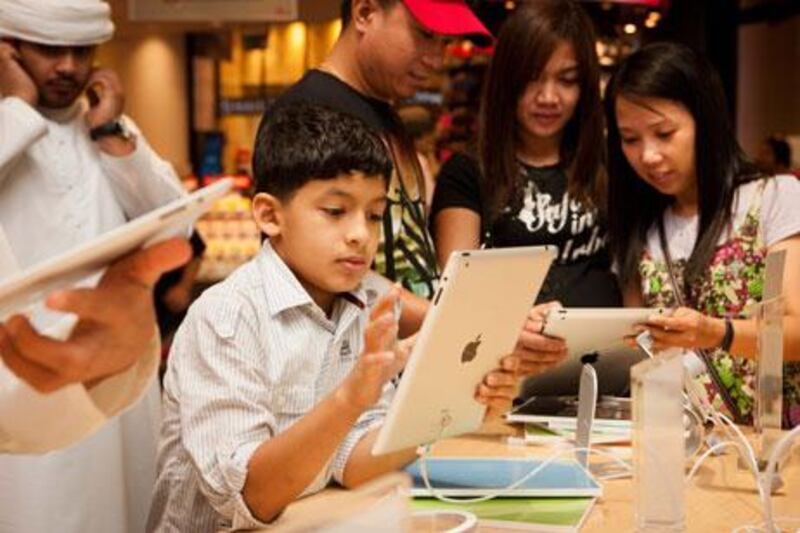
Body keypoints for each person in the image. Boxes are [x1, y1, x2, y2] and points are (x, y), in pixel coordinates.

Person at [147, 104, 521, 532]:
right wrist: (351, 397)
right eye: (335, 211)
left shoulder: (360, 304)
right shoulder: (226, 318)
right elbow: (252, 496)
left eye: (375, 214)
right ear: (269, 215)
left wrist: (450, 407)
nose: (361, 234)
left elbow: (352, 462)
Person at [0, 0, 188, 531]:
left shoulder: (106, 128)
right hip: (21, 380)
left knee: (127, 505)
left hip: (117, 373)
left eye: (82, 51)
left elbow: (175, 227)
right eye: (49, 49)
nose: (68, 67)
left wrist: (111, 136)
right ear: (8, 51)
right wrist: (17, 106)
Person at [268, 0, 492, 337]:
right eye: (425, 35)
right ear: (365, 12)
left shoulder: (384, 112)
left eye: (445, 43)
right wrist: (451, 321)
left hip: (404, 362)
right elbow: (319, 271)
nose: (436, 58)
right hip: (345, 371)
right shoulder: (311, 113)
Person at [604, 42, 800, 427]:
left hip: (776, 452)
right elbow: (638, 352)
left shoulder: (775, 197)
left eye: (664, 133)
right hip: (683, 448)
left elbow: (796, 331)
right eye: (630, 139)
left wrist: (714, 332)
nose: (648, 155)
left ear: (705, 120)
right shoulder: (640, 227)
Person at [430, 1, 622, 391]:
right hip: (501, 381)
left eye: (567, 80)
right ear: (507, 82)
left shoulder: (610, 163)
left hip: (605, 378)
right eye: (533, 79)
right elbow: (453, 295)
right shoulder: (467, 172)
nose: (549, 97)